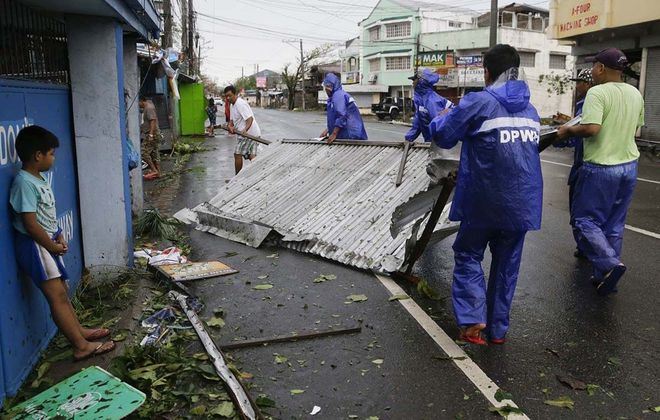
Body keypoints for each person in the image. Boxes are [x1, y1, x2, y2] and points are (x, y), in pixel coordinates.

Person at [429, 44, 543, 345]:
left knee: (467, 254)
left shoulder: (478, 101)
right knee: (507, 266)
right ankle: (497, 331)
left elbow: (443, 134)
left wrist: (442, 114)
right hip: (523, 204)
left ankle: (471, 319)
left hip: (484, 200)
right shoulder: (531, 110)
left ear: (487, 71)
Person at [10, 125, 115, 361]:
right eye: (51, 153)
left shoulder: (37, 178)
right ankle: (80, 345)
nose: (53, 157)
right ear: (38, 155)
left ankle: (79, 332)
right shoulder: (24, 183)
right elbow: (30, 224)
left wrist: (57, 235)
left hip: (46, 244)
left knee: (63, 293)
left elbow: (44, 217)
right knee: (56, 297)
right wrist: (50, 245)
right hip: (35, 246)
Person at [557, 48, 644, 296]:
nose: (593, 72)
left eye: (594, 67)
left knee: (585, 220)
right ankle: (605, 277)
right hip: (629, 166)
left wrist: (566, 130)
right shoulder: (635, 93)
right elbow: (635, 128)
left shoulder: (597, 92)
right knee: (614, 224)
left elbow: (591, 128)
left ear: (602, 68)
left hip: (601, 168)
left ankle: (609, 264)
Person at [554, 68, 593, 258]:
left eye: (580, 82)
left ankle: (585, 247)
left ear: (588, 84)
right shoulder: (582, 104)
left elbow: (578, 131)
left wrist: (563, 133)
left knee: (578, 209)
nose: (577, 86)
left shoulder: (588, 104)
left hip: (585, 164)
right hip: (585, 162)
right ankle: (585, 246)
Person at [405, 68, 453, 142]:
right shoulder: (421, 101)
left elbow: (438, 125)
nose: (412, 83)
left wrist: (435, 144)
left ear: (421, 81)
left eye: (414, 80)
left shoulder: (432, 101)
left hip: (443, 144)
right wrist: (408, 139)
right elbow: (418, 123)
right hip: (432, 142)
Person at [320, 73, 367, 143]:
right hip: (352, 132)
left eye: (326, 88)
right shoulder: (337, 96)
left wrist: (334, 133)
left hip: (350, 134)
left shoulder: (338, 96)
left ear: (330, 87)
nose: (325, 91)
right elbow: (337, 116)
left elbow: (341, 115)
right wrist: (328, 130)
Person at [225, 85, 261, 174]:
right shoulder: (232, 105)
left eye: (230, 95)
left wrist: (245, 130)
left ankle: (237, 177)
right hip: (246, 134)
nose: (228, 98)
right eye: (226, 96)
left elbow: (250, 119)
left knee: (237, 154)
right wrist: (230, 126)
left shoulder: (240, 104)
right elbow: (232, 120)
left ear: (235, 94)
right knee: (250, 155)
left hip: (249, 134)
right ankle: (260, 172)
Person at [139, 95, 162, 180]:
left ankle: (154, 170)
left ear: (141, 101)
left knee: (144, 152)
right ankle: (158, 172)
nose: (138, 105)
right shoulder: (148, 106)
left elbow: (153, 120)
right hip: (153, 133)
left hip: (152, 134)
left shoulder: (149, 108)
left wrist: (151, 134)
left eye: (139, 103)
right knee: (154, 153)